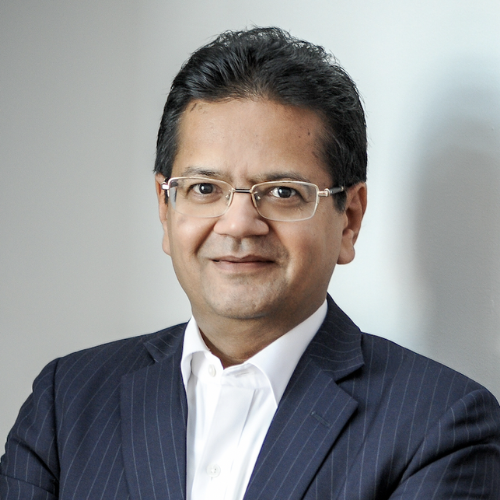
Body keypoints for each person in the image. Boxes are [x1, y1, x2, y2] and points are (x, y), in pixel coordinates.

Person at [1, 27, 499, 500]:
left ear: (349, 219)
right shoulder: (66, 404)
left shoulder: (442, 425)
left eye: (282, 192)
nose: (238, 224)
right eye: (204, 188)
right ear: (164, 208)